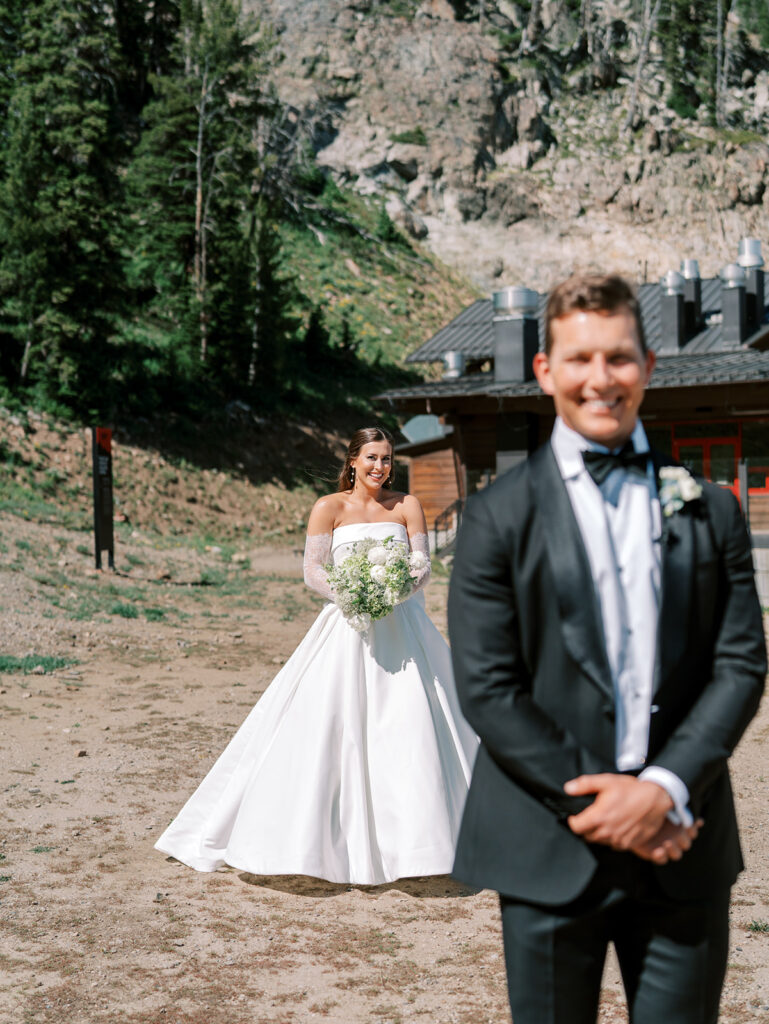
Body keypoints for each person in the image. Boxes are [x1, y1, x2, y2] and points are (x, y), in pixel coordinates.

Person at [448, 273, 766, 1024]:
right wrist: (602, 802)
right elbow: (489, 686)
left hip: (681, 844)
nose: (600, 379)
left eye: (618, 358)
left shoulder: (710, 508)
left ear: (648, 367)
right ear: (545, 371)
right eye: (580, 359)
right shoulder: (495, 517)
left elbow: (740, 662)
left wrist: (662, 789)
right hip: (546, 842)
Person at [156, 426, 477, 885]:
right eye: (371, 458)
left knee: (411, 726)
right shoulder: (328, 507)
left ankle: (420, 845)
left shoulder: (407, 505)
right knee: (328, 726)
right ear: (352, 461)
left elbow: (422, 566)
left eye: (387, 459)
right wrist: (351, 594)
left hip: (401, 629)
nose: (380, 468)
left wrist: (394, 589)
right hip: (346, 626)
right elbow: (312, 570)